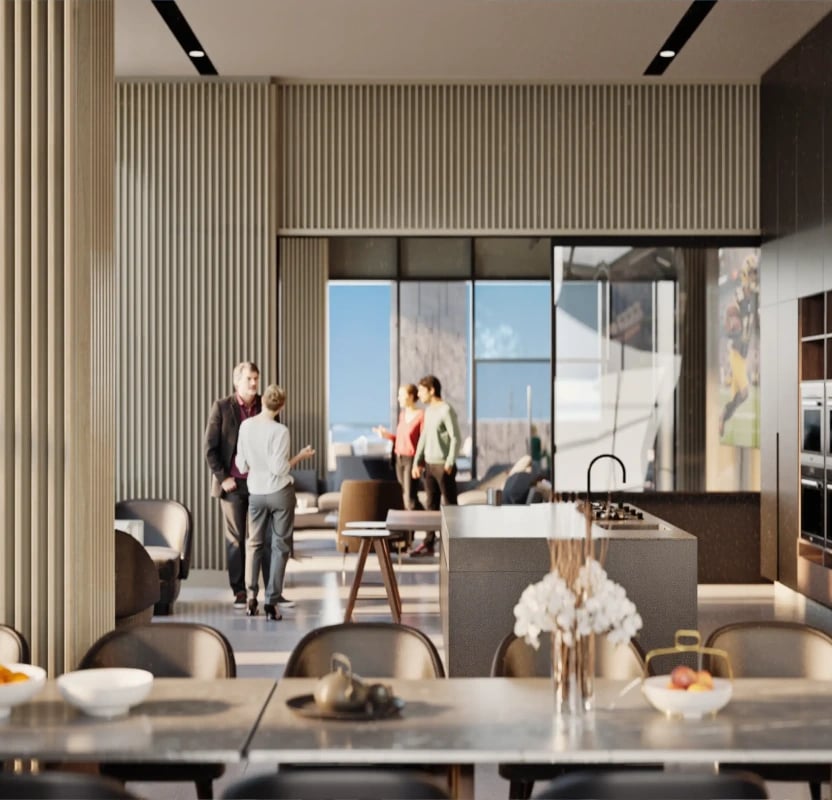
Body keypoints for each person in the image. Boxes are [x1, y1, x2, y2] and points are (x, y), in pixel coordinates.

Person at [235, 384, 315, 621]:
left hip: (256, 493)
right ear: (282, 405)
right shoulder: (280, 431)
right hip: (279, 492)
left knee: (254, 545)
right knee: (280, 547)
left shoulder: (246, 426)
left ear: (262, 402)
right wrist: (301, 456)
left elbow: (241, 465)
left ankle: (251, 599)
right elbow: (279, 468)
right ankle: (271, 602)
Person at [204, 361, 264, 608]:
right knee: (236, 540)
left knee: (259, 539)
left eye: (256, 379)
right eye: (249, 379)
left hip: (259, 484)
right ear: (236, 382)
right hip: (231, 486)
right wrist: (223, 477)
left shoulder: (264, 406)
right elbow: (210, 448)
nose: (253, 383)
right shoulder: (221, 407)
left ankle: (257, 591)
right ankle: (239, 591)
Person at [411, 374, 461, 556]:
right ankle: (429, 543)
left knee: (450, 506)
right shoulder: (429, 411)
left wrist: (449, 462)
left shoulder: (446, 410)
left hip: (443, 466)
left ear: (432, 390)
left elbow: (456, 437)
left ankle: (455, 545)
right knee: (431, 506)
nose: (419, 394)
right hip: (430, 466)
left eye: (422, 391)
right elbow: (423, 438)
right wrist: (417, 461)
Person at [719, 254, 759, 437]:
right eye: (751, 273)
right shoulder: (740, 295)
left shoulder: (755, 296)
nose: (754, 276)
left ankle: (722, 418)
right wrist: (733, 320)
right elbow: (730, 313)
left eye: (755, 273)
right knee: (744, 393)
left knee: (736, 398)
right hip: (735, 351)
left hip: (743, 355)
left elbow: (755, 323)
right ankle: (721, 416)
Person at [373, 384, 424, 511]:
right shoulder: (402, 415)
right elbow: (401, 439)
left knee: (410, 499)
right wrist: (387, 435)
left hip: (411, 460)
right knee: (405, 497)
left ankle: (417, 528)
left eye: (401, 395)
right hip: (398, 458)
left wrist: (419, 463)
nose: (398, 398)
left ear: (411, 396)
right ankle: (426, 526)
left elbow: (423, 441)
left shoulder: (421, 415)